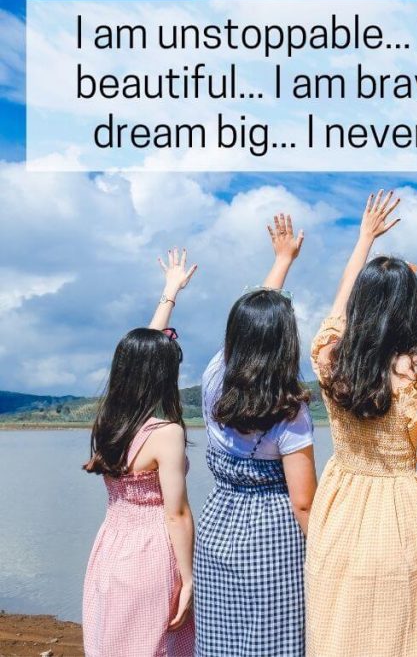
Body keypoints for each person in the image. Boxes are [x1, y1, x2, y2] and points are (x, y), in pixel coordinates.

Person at [306, 190, 417, 657]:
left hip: (338, 510)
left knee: (341, 635)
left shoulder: (330, 360)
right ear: (412, 310)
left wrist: (364, 241)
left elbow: (338, 309)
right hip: (401, 514)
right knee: (409, 637)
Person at [193, 214, 317, 657]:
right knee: (277, 641)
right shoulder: (291, 410)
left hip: (217, 527)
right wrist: (331, 551)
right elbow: (303, 502)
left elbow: (250, 327)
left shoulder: (214, 378)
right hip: (275, 539)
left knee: (220, 640)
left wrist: (281, 261)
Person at [82, 248, 198, 657]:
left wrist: (169, 293)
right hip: (152, 552)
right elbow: (176, 513)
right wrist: (188, 579)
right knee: (154, 645)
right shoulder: (165, 434)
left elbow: (142, 355)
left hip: (111, 546)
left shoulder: (111, 421)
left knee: (114, 642)